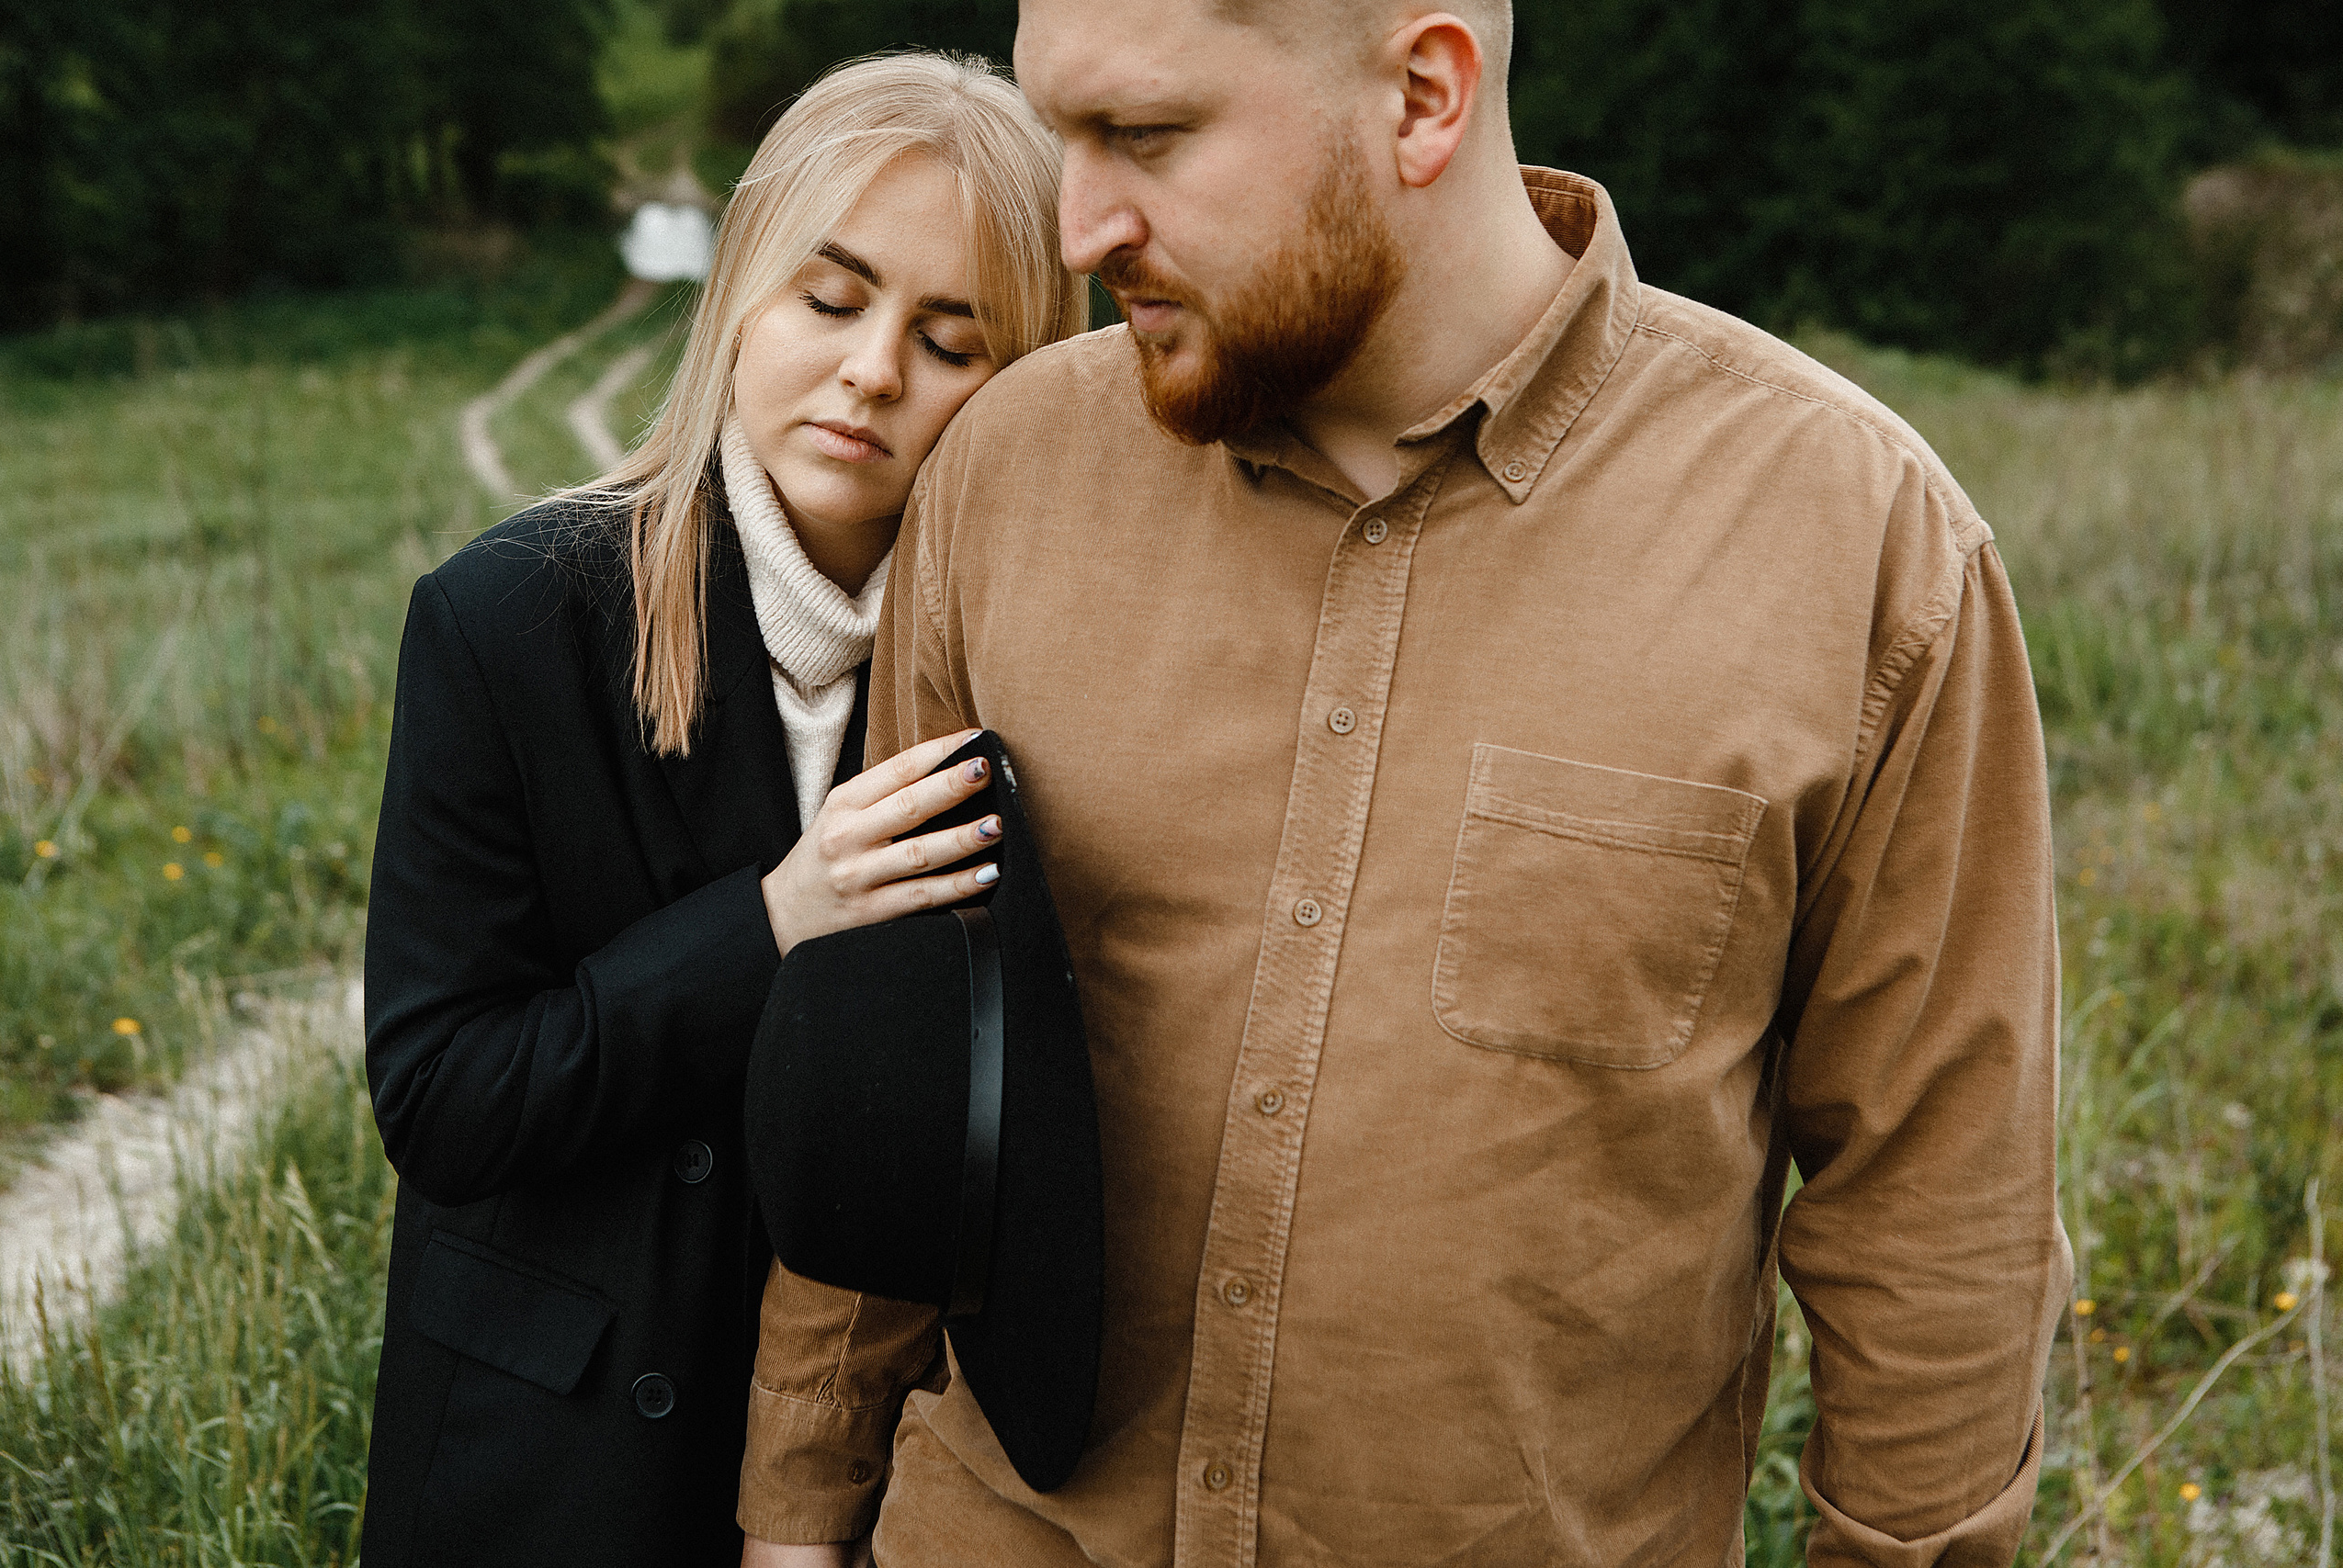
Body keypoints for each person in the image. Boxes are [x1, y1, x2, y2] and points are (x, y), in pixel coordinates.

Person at [736, 1, 2072, 1564]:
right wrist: (796, 1520)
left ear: (1426, 98)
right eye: (1062, 132)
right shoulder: (1005, 473)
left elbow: (1937, 1213)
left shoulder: (1858, 548)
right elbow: (889, 1052)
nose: (1079, 224)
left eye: (1146, 137)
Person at [359, 53, 1085, 1568]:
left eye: (951, 341)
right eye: (831, 303)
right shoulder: (511, 621)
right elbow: (445, 1096)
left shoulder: (1039, 668)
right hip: (547, 1466)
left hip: (881, 1479)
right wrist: (774, 921)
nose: (874, 371)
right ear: (739, 294)